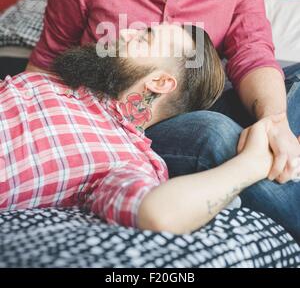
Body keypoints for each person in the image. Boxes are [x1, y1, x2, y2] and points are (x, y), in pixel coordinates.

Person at [25, 0, 300, 238]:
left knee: (293, 84)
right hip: (133, 123)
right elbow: (46, 65)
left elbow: (253, 56)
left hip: (202, 96)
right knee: (217, 133)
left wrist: (274, 122)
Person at [0, 23, 293, 235]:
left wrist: (252, 164)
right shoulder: (59, 81)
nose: (124, 32)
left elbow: (159, 213)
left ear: (161, 82)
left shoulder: (124, 156)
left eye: (143, 38)